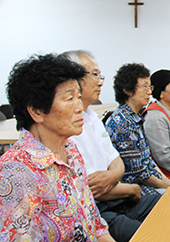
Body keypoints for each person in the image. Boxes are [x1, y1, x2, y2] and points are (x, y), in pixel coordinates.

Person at [1, 53, 114, 241]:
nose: (80, 107)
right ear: (37, 111)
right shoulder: (16, 171)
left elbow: (95, 224)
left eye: (79, 97)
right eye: (70, 99)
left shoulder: (70, 152)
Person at [61, 50, 161, 242]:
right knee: (152, 234)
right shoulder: (66, 127)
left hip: (120, 196)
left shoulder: (92, 116)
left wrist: (115, 175)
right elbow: (91, 187)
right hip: (99, 208)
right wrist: (131, 189)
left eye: (101, 76)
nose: (100, 82)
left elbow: (116, 161)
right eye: (94, 75)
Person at [105, 63, 170, 195]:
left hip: (150, 184)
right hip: (135, 191)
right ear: (127, 90)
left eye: (150, 86)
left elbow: (149, 162)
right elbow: (140, 175)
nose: (149, 92)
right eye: (144, 87)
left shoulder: (134, 118)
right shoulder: (122, 124)